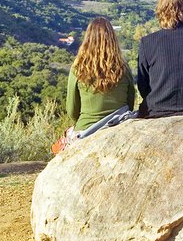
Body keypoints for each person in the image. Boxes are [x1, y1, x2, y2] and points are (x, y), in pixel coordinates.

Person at [54, 17, 135, 154]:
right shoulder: (124, 68)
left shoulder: (77, 69)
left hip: (86, 128)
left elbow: (72, 109)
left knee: (57, 147)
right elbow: (130, 103)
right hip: (118, 126)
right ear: (112, 39)